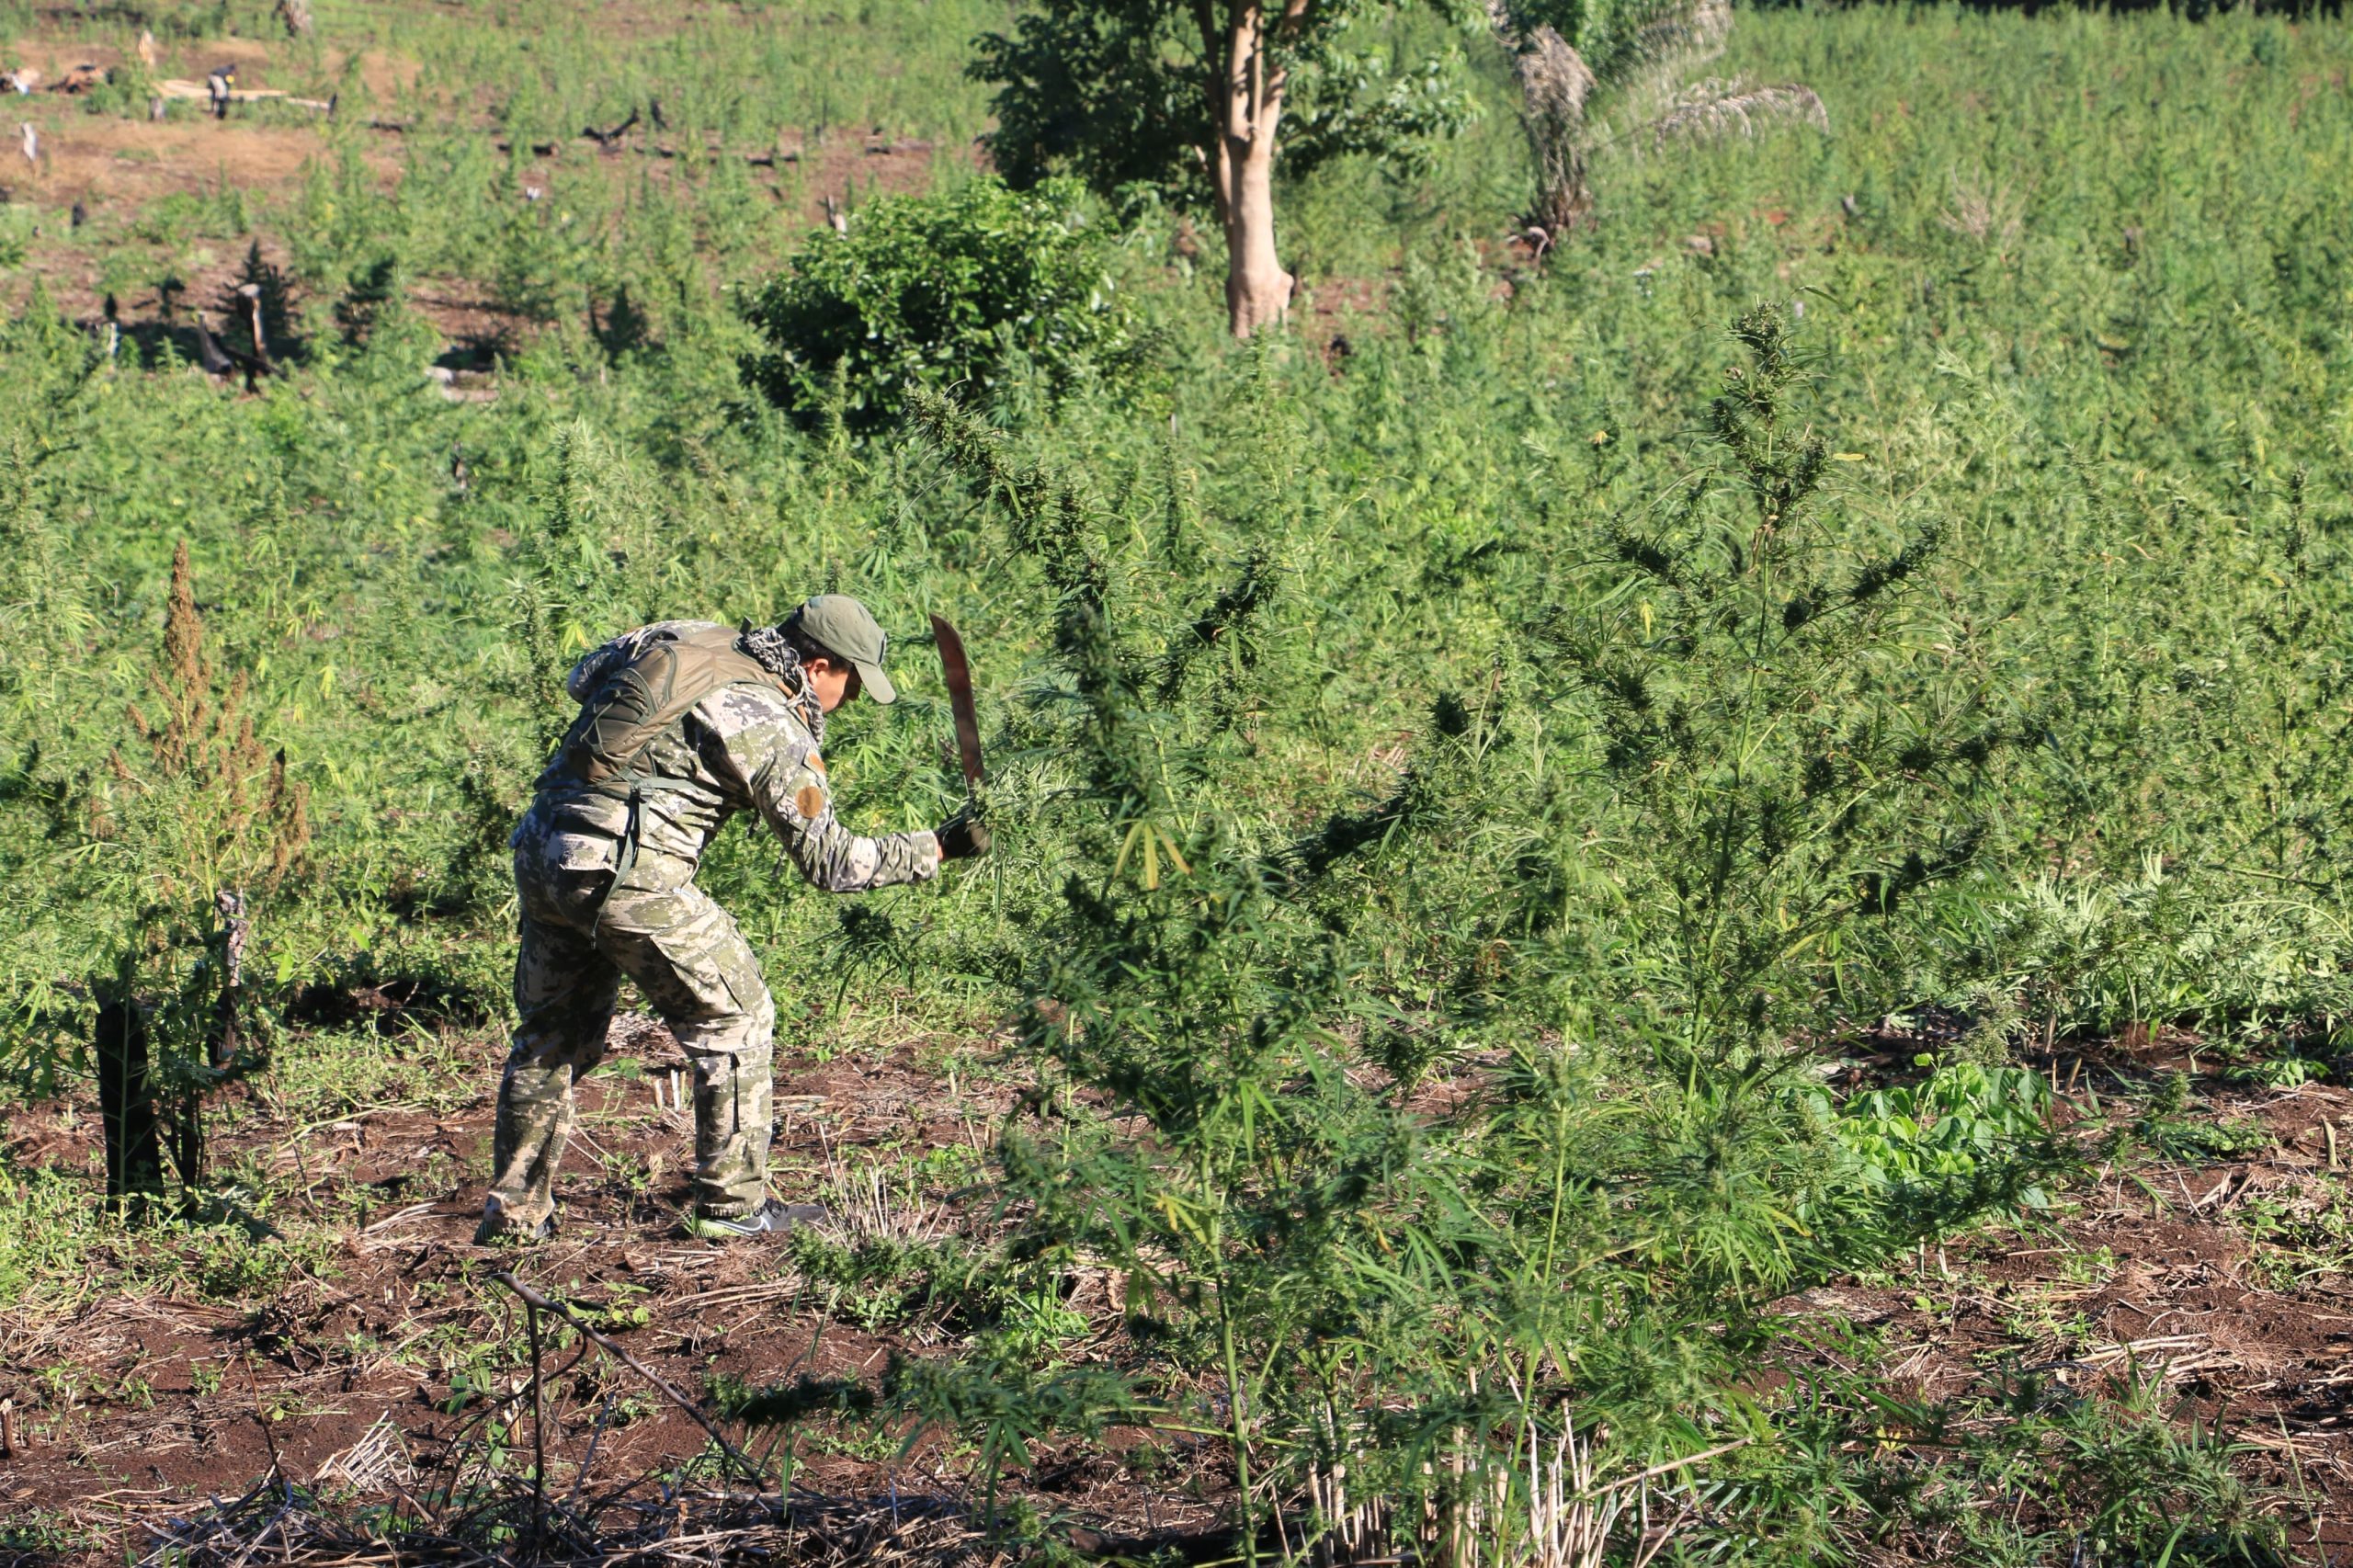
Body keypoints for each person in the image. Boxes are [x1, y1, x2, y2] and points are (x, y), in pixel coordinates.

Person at [477, 597, 986, 1244]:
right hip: (630, 873)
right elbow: (833, 864)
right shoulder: (770, 721)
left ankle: (515, 1218)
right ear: (818, 664)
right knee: (737, 1017)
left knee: (550, 1038)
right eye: (849, 682)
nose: (850, 698)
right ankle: (734, 1207)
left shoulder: (681, 635)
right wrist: (938, 847)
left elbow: (584, 676)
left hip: (545, 849)